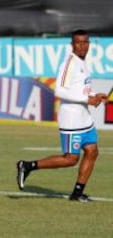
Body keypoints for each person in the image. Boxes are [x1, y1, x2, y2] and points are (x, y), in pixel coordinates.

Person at [16, 29, 108, 202]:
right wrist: (87, 99)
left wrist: (95, 95)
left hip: (85, 118)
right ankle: (28, 166)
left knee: (92, 151)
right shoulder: (69, 63)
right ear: (72, 45)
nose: (83, 46)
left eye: (86, 42)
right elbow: (59, 90)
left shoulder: (83, 62)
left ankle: (77, 194)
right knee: (71, 159)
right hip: (72, 119)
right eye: (79, 43)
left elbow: (81, 88)